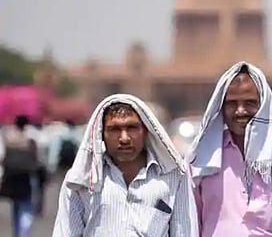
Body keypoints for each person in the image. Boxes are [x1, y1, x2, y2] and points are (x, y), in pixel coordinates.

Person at [188, 62, 272, 237]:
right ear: (220, 108)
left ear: (263, 105)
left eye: (249, 103)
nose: (240, 111)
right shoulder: (202, 159)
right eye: (232, 103)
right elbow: (190, 226)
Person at [52, 94, 198, 237]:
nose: (124, 138)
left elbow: (183, 231)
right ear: (101, 134)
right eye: (114, 129)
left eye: (132, 128)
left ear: (146, 131)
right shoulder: (81, 180)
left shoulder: (173, 176)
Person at [0, 115, 41, 237]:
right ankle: (24, 233)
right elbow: (37, 159)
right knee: (26, 206)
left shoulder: (7, 138)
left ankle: (17, 232)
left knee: (15, 206)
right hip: (27, 176)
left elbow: (2, 158)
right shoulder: (31, 139)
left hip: (11, 177)